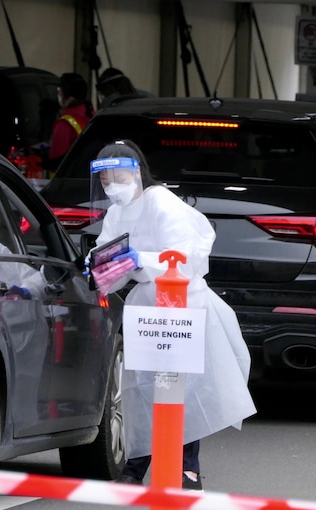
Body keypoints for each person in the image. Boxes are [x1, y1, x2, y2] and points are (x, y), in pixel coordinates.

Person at [90, 139, 256, 488]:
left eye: (117, 178)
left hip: (181, 304)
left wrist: (142, 259)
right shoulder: (116, 213)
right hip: (146, 308)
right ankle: (136, 466)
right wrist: (100, 267)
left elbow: (183, 257)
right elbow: (108, 253)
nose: (112, 188)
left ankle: (187, 467)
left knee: (182, 388)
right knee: (141, 389)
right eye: (105, 182)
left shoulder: (161, 202)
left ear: (136, 174)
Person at [46, 73, 94, 172]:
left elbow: (55, 160)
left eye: (59, 92)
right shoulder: (93, 115)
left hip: (68, 180)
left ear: (66, 95)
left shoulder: (64, 124)